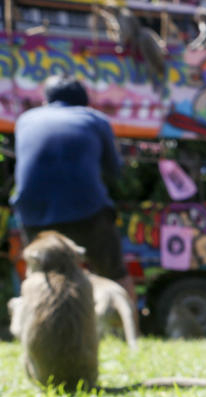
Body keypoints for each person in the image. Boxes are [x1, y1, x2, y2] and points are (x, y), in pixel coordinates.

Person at [12, 74, 136, 307]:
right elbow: (114, 171)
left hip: (33, 213)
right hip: (86, 209)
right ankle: (133, 336)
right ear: (84, 100)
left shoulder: (25, 120)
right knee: (114, 273)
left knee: (40, 275)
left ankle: (36, 328)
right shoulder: (95, 120)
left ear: (46, 101)